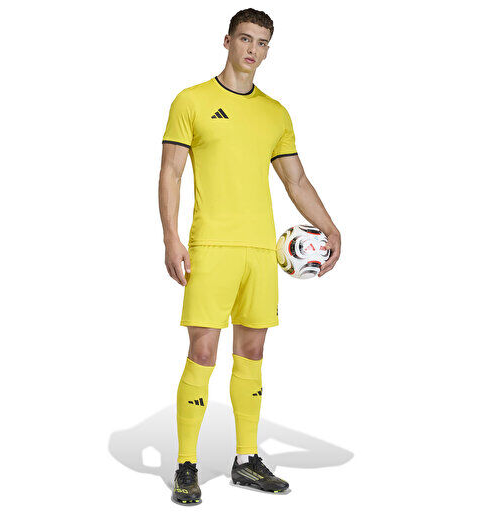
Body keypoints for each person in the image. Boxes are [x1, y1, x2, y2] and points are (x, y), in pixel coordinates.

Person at [158, 8, 341, 505]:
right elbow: (171, 171)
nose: (252, 50)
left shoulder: (275, 113)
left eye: (261, 43)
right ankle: (187, 465)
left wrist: (330, 227)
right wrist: (171, 238)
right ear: (227, 41)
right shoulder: (191, 101)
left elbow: (295, 180)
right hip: (211, 248)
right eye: (245, 39)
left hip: (261, 252)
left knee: (252, 355)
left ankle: (246, 460)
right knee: (202, 354)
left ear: (267, 51)